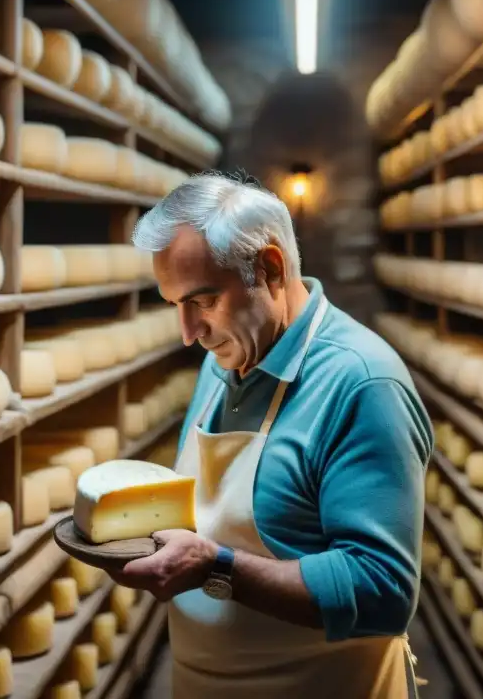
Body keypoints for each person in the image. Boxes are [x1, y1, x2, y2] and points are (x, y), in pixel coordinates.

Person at [109, 172, 433, 698]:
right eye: (175, 306)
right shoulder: (223, 360)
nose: (188, 334)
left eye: (203, 300)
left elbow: (383, 589)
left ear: (271, 269)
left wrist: (216, 568)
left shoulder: (362, 383)